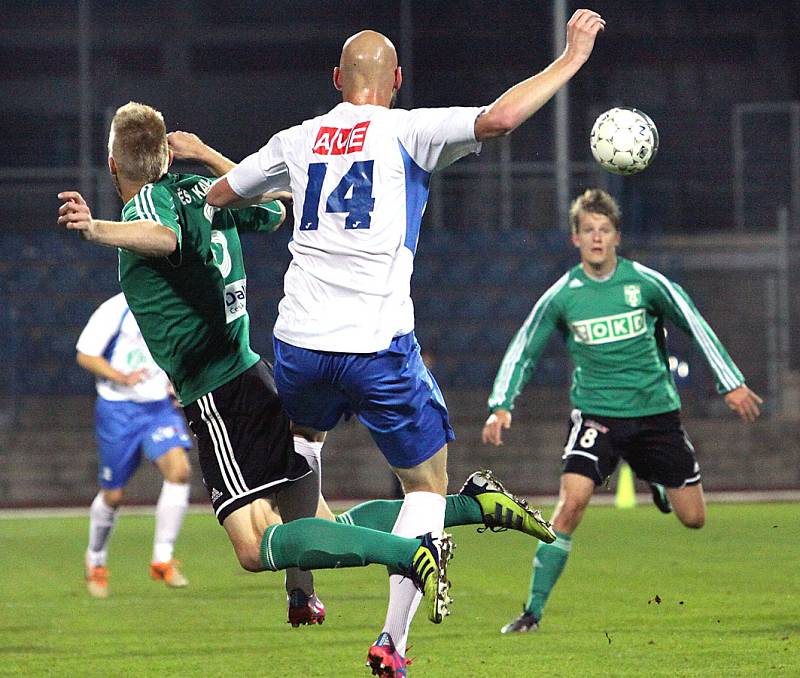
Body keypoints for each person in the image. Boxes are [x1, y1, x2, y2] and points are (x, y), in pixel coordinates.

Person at [57, 104, 551, 662]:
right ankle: (471, 508)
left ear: (110, 161)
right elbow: (272, 206)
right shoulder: (200, 188)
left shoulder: (150, 199)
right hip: (250, 374)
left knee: (252, 546)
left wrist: (96, 228)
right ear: (169, 153)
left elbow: (164, 236)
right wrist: (209, 159)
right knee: (317, 524)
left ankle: (409, 551)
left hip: (218, 391)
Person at [206, 9, 604, 675]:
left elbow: (223, 194)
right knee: (425, 483)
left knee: (305, 439)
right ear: (395, 80)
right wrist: (570, 59)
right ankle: (392, 640)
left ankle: (302, 585)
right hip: (376, 345)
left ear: (337, 79)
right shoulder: (406, 128)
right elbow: (500, 119)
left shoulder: (298, 139)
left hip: (300, 343)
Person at [481, 188, 764, 634]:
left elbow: (694, 322)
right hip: (596, 416)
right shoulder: (563, 296)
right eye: (588, 230)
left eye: (605, 230)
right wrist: (501, 406)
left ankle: (664, 488)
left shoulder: (646, 284)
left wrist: (731, 383)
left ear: (617, 236)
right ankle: (532, 612)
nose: (597, 238)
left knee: (694, 519)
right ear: (575, 238)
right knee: (571, 505)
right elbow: (523, 351)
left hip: (655, 417)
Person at [76, 292, 193, 598]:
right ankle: (96, 560)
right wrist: (121, 377)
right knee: (114, 495)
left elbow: (176, 351)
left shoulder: (172, 304)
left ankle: (163, 559)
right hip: (118, 409)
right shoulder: (115, 308)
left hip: (158, 408)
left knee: (179, 471)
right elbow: (85, 354)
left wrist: (177, 382)